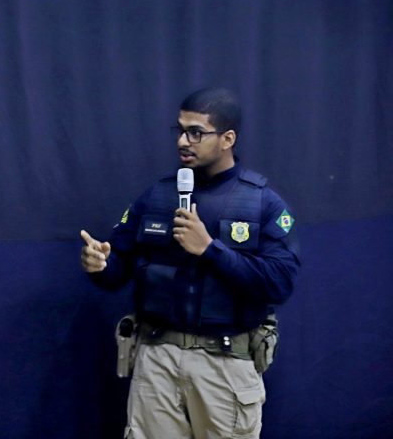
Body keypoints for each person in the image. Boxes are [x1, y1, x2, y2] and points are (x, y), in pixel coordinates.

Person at [80, 88, 299, 439]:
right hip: (156, 360)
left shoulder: (262, 203)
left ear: (228, 138)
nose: (184, 140)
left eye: (196, 132)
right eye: (180, 130)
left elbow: (279, 283)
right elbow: (118, 267)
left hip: (223, 365)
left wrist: (210, 249)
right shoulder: (157, 196)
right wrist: (101, 264)